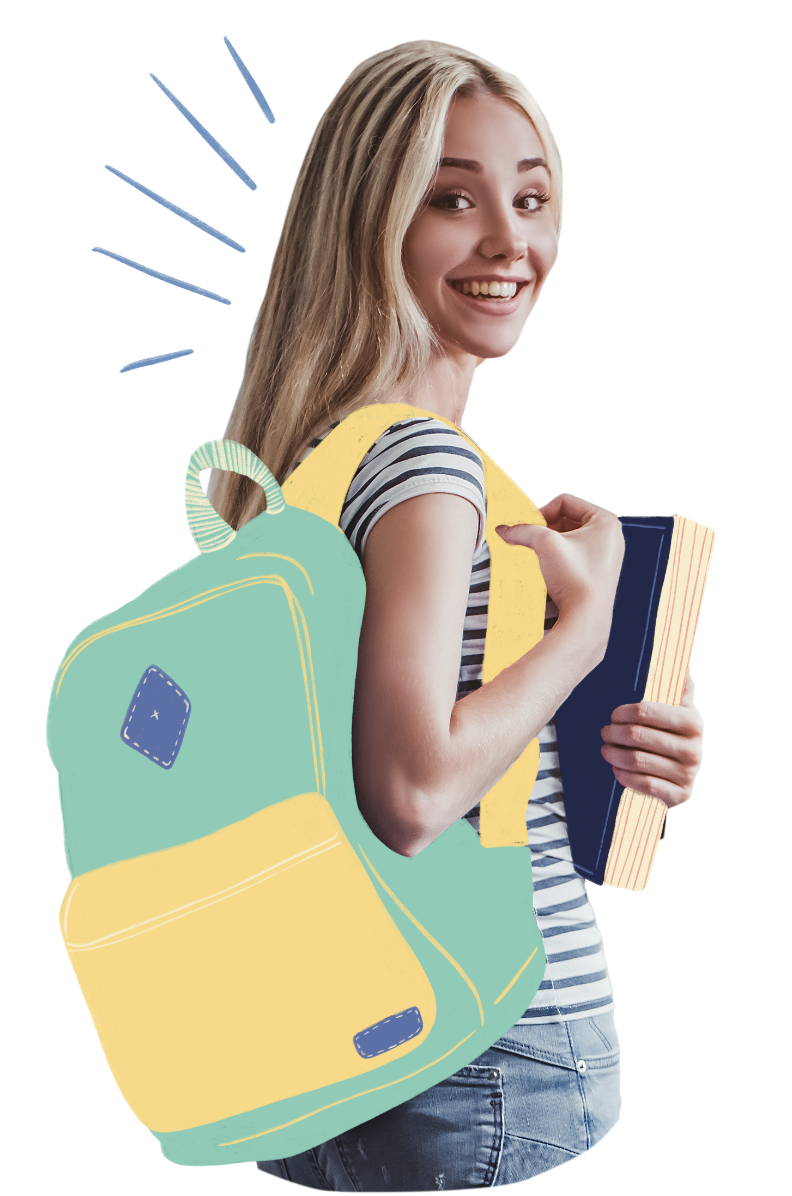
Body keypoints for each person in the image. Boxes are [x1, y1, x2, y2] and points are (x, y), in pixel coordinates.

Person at [206, 39, 706, 1192]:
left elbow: (353, 771)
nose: (509, 242)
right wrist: (583, 632)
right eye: (453, 199)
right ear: (372, 219)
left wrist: (616, 750)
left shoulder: (293, 470)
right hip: (490, 1049)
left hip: (335, 1050)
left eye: (531, 198)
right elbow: (414, 791)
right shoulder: (427, 466)